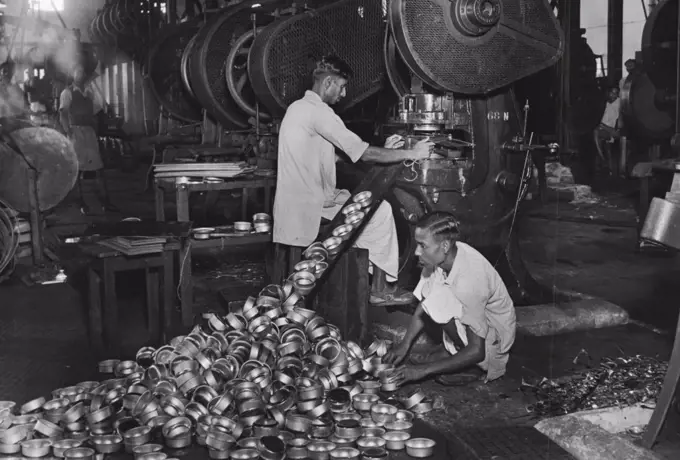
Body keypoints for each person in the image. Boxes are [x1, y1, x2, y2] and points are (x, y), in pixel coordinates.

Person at [273, 55, 434, 306]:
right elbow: (362, 152)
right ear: (328, 83)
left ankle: (361, 279)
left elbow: (336, 156)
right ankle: (379, 290)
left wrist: (385, 150)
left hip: (292, 204)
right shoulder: (320, 113)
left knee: (360, 209)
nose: (344, 93)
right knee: (380, 211)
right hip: (310, 208)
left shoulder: (297, 109)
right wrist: (412, 153)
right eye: (341, 86)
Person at [384, 212, 517, 386]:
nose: (417, 252)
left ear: (445, 245)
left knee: (444, 304)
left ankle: (474, 368)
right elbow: (425, 305)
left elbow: (477, 351)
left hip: (491, 342)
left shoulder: (469, 279)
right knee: (436, 297)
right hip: (473, 322)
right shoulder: (444, 257)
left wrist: (421, 371)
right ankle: (453, 350)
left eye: (423, 246)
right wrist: (404, 344)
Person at [59, 66, 118, 214]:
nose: (80, 74)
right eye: (77, 71)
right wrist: (68, 131)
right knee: (77, 170)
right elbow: (63, 113)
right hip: (76, 133)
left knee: (98, 168)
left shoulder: (90, 92)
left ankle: (106, 202)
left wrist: (105, 110)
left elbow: (98, 110)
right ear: (72, 75)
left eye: (82, 71)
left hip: (89, 133)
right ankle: (81, 203)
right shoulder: (67, 93)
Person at [593, 86, 621, 175]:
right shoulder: (605, 103)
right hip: (602, 128)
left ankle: (602, 158)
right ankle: (603, 163)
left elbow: (620, 117)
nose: (614, 95)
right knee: (597, 138)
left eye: (616, 93)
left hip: (610, 130)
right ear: (609, 93)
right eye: (612, 93)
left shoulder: (619, 102)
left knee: (596, 132)